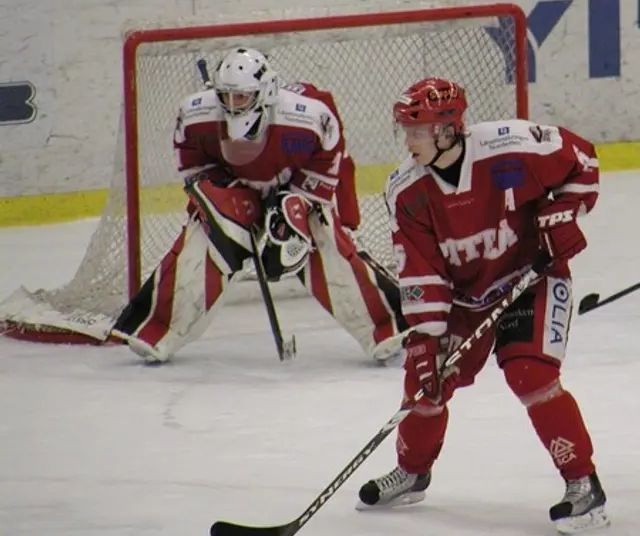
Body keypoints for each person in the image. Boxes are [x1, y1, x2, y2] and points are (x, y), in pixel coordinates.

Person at [356, 78, 609, 534]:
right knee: (424, 380)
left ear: (448, 130)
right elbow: (422, 271)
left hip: (530, 277)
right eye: (407, 131)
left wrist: (566, 211)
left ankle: (583, 485)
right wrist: (426, 339)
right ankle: (413, 473)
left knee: (531, 374)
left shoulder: (511, 148)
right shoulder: (407, 192)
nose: (408, 142)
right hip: (463, 298)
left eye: (418, 131)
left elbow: (584, 161)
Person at [110, 47, 407, 364]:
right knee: (202, 240)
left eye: (242, 97)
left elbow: (329, 155)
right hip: (235, 186)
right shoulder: (197, 117)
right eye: (226, 96)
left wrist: (296, 203)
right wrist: (221, 194)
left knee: (323, 238)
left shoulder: (307, 117)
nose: (233, 105)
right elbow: (192, 165)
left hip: (292, 186)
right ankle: (155, 328)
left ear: (265, 92)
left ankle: (386, 326)